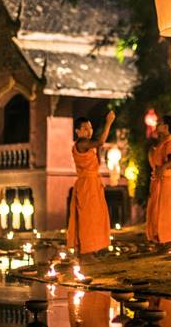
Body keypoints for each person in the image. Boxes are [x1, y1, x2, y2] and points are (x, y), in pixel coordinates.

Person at [67, 111, 115, 262]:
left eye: (90, 128)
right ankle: (85, 253)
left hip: (94, 183)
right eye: (85, 128)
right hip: (86, 185)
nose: (89, 131)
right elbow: (100, 141)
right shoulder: (81, 143)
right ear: (77, 131)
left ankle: (91, 250)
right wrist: (108, 123)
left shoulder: (88, 146)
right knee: (87, 218)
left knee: (95, 217)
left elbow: (98, 157)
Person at [146, 115, 171, 248]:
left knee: (168, 213)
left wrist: (164, 167)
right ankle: (164, 242)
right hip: (161, 182)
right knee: (159, 212)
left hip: (168, 182)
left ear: (166, 127)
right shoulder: (163, 142)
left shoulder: (170, 142)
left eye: (159, 124)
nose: (157, 126)